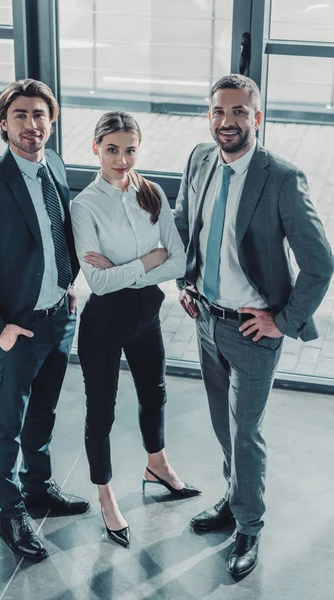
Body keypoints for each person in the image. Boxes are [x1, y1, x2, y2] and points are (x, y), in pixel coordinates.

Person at [174, 74, 333, 576]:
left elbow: (320, 262)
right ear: (210, 116)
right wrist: (185, 281)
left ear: (257, 118)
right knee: (224, 426)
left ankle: (249, 526)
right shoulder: (200, 159)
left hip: (251, 330)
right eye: (220, 111)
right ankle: (233, 498)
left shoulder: (281, 179)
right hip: (206, 319)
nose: (228, 121)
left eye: (240, 112)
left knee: (246, 434)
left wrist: (283, 322)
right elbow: (186, 224)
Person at [0, 79, 90, 563]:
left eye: (40, 115)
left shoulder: (53, 162)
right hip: (17, 328)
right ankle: (10, 513)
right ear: (3, 123)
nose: (33, 125)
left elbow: (57, 232)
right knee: (7, 423)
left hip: (58, 316)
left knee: (44, 413)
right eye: (22, 115)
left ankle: (38, 489)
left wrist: (69, 283)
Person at [71, 111, 201, 548]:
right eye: (112, 149)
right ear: (96, 149)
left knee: (155, 394)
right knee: (102, 412)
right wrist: (150, 261)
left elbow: (179, 261)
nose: (122, 159)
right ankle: (106, 495)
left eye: (129, 149)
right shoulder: (84, 205)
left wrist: (129, 269)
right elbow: (99, 283)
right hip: (103, 324)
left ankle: (157, 465)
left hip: (147, 314)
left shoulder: (153, 194)